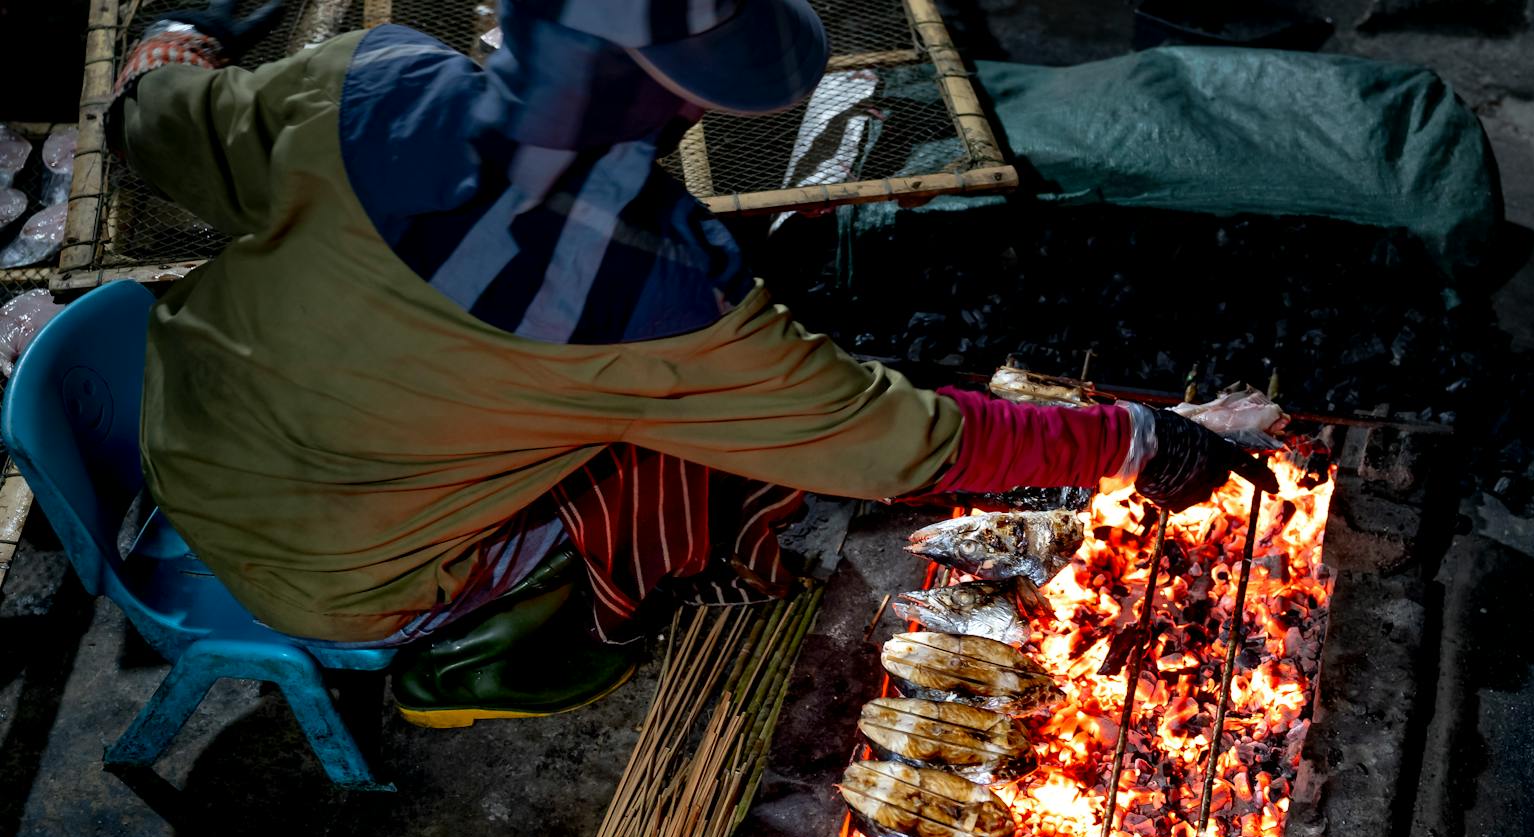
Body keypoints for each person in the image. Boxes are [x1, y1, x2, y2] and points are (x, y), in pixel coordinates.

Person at [107, 0, 1270, 727]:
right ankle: (501, 648)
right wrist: (1138, 438)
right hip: (345, 573)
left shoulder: (367, 77)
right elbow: (902, 444)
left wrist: (166, 60)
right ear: (685, 105)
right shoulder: (648, 297)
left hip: (183, 451)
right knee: (714, 465)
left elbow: (151, 123)